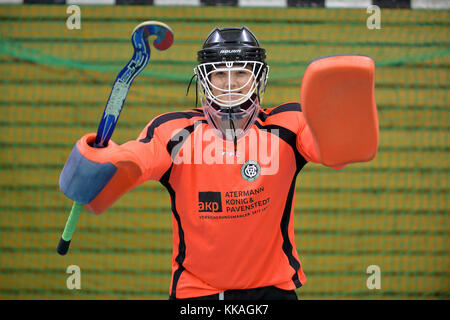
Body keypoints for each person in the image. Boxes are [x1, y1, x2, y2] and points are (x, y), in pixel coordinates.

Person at [59, 26, 378, 300]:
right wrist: (102, 160)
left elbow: (329, 148)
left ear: (257, 78)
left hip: (273, 291)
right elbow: (136, 160)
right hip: (195, 293)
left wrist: (343, 123)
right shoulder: (173, 131)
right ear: (204, 81)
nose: (229, 84)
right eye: (219, 75)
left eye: (240, 72)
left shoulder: (289, 125)